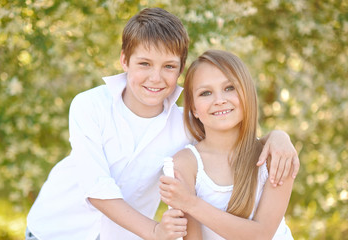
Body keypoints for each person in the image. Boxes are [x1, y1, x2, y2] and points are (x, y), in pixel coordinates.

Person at [26, 8, 298, 240]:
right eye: (144, 63)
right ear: (124, 60)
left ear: (180, 70)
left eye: (168, 66)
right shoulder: (90, 105)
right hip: (55, 228)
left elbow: (228, 125)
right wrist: (156, 231)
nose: (155, 78)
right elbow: (95, 187)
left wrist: (277, 136)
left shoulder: (184, 123)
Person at [160, 50, 295, 239]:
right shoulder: (184, 164)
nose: (219, 100)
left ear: (246, 93)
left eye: (229, 88)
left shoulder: (277, 156)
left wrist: (191, 203)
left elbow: (261, 235)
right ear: (194, 109)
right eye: (206, 93)